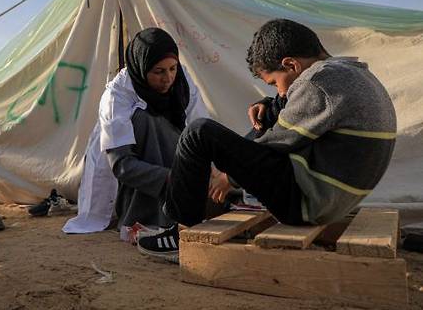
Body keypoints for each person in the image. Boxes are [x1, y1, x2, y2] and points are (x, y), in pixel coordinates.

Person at [138, 18, 397, 260]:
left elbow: (276, 143)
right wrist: (272, 104)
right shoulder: (350, 73)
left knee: (198, 133)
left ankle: (180, 232)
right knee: (270, 114)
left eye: (273, 83)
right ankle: (188, 221)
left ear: (291, 65)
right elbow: (294, 119)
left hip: (309, 203)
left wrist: (227, 176)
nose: (278, 91)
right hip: (335, 197)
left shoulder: (317, 82)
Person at [63, 27, 208, 239]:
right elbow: (122, 165)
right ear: (141, 68)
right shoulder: (117, 97)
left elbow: (200, 129)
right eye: (158, 72)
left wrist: (207, 171)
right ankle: (152, 218)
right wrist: (170, 179)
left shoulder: (182, 82)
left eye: (172, 69)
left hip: (175, 162)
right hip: (141, 170)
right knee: (145, 120)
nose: (168, 78)